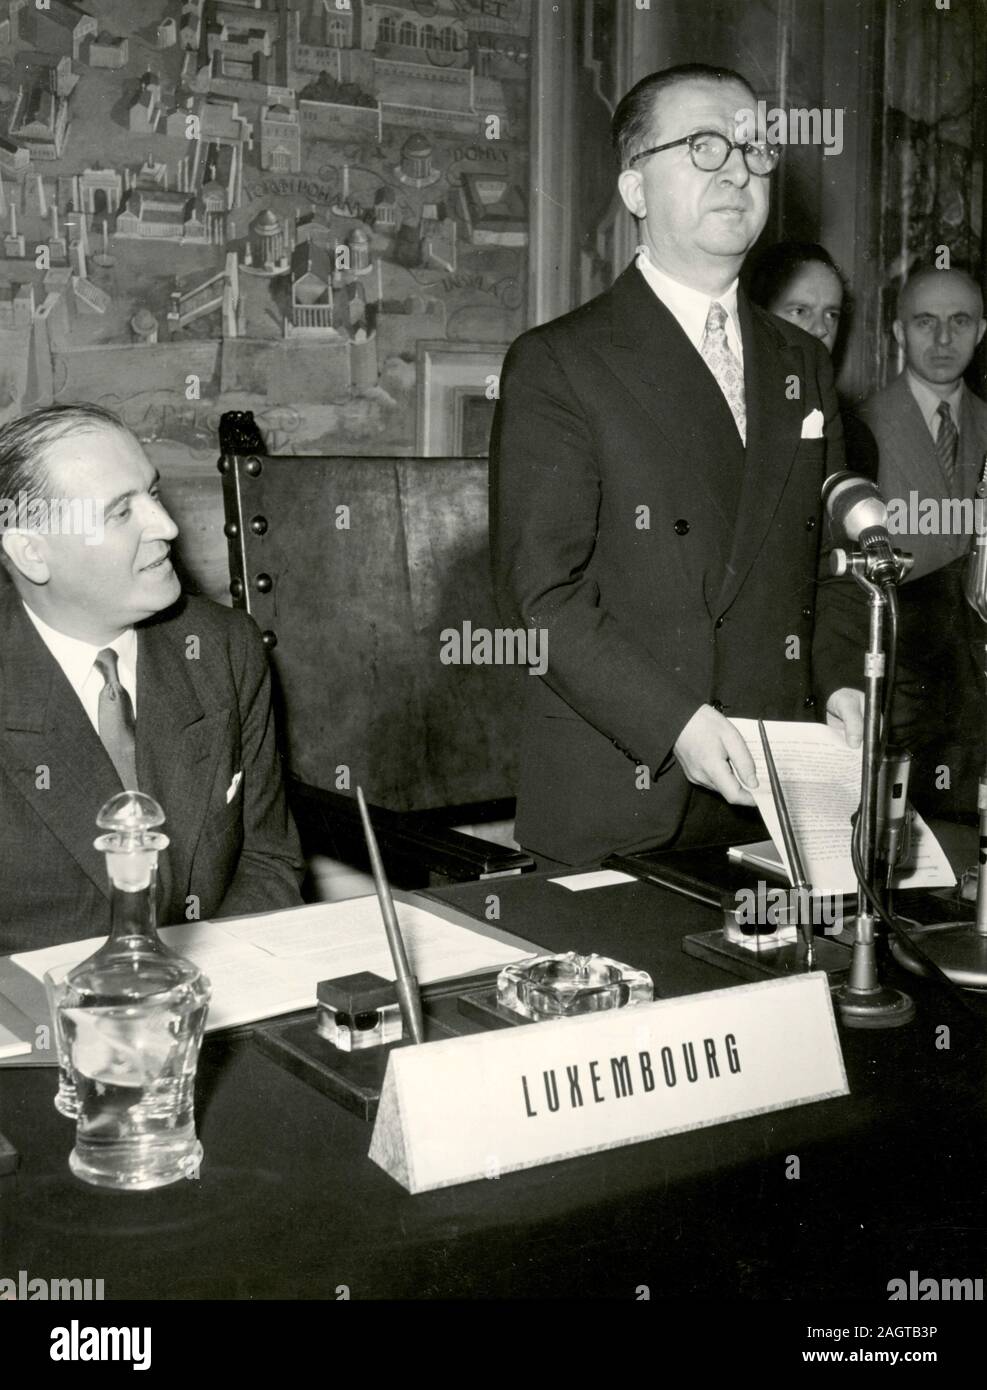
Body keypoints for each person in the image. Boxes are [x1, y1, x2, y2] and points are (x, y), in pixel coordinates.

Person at [490, 63, 858, 868]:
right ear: (634, 190)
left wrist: (840, 686)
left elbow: (834, 565)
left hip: (780, 805)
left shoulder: (800, 359)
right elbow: (539, 599)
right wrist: (678, 724)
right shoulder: (558, 362)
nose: (737, 168)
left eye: (754, 149)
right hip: (625, 796)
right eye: (703, 146)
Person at [0, 403, 304, 952]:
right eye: (121, 512)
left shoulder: (224, 648)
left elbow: (267, 862)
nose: (166, 527)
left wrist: (188, 989)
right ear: (32, 554)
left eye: (154, 494)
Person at [815, 266, 987, 816]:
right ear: (896, 332)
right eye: (925, 322)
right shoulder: (858, 427)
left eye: (959, 321)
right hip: (897, 677)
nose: (942, 339)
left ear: (982, 331)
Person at [748, 240, 877, 479]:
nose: (820, 330)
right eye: (800, 311)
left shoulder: (855, 438)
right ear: (760, 316)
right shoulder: (738, 413)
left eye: (831, 314)